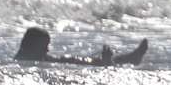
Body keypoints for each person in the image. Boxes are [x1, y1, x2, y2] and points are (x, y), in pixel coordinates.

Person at [14, 27, 148, 67]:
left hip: (61, 61)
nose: (47, 49)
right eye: (44, 46)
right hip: (61, 62)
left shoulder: (32, 56)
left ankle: (131, 58)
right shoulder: (23, 61)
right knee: (97, 62)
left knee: (92, 60)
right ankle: (131, 58)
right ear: (31, 44)